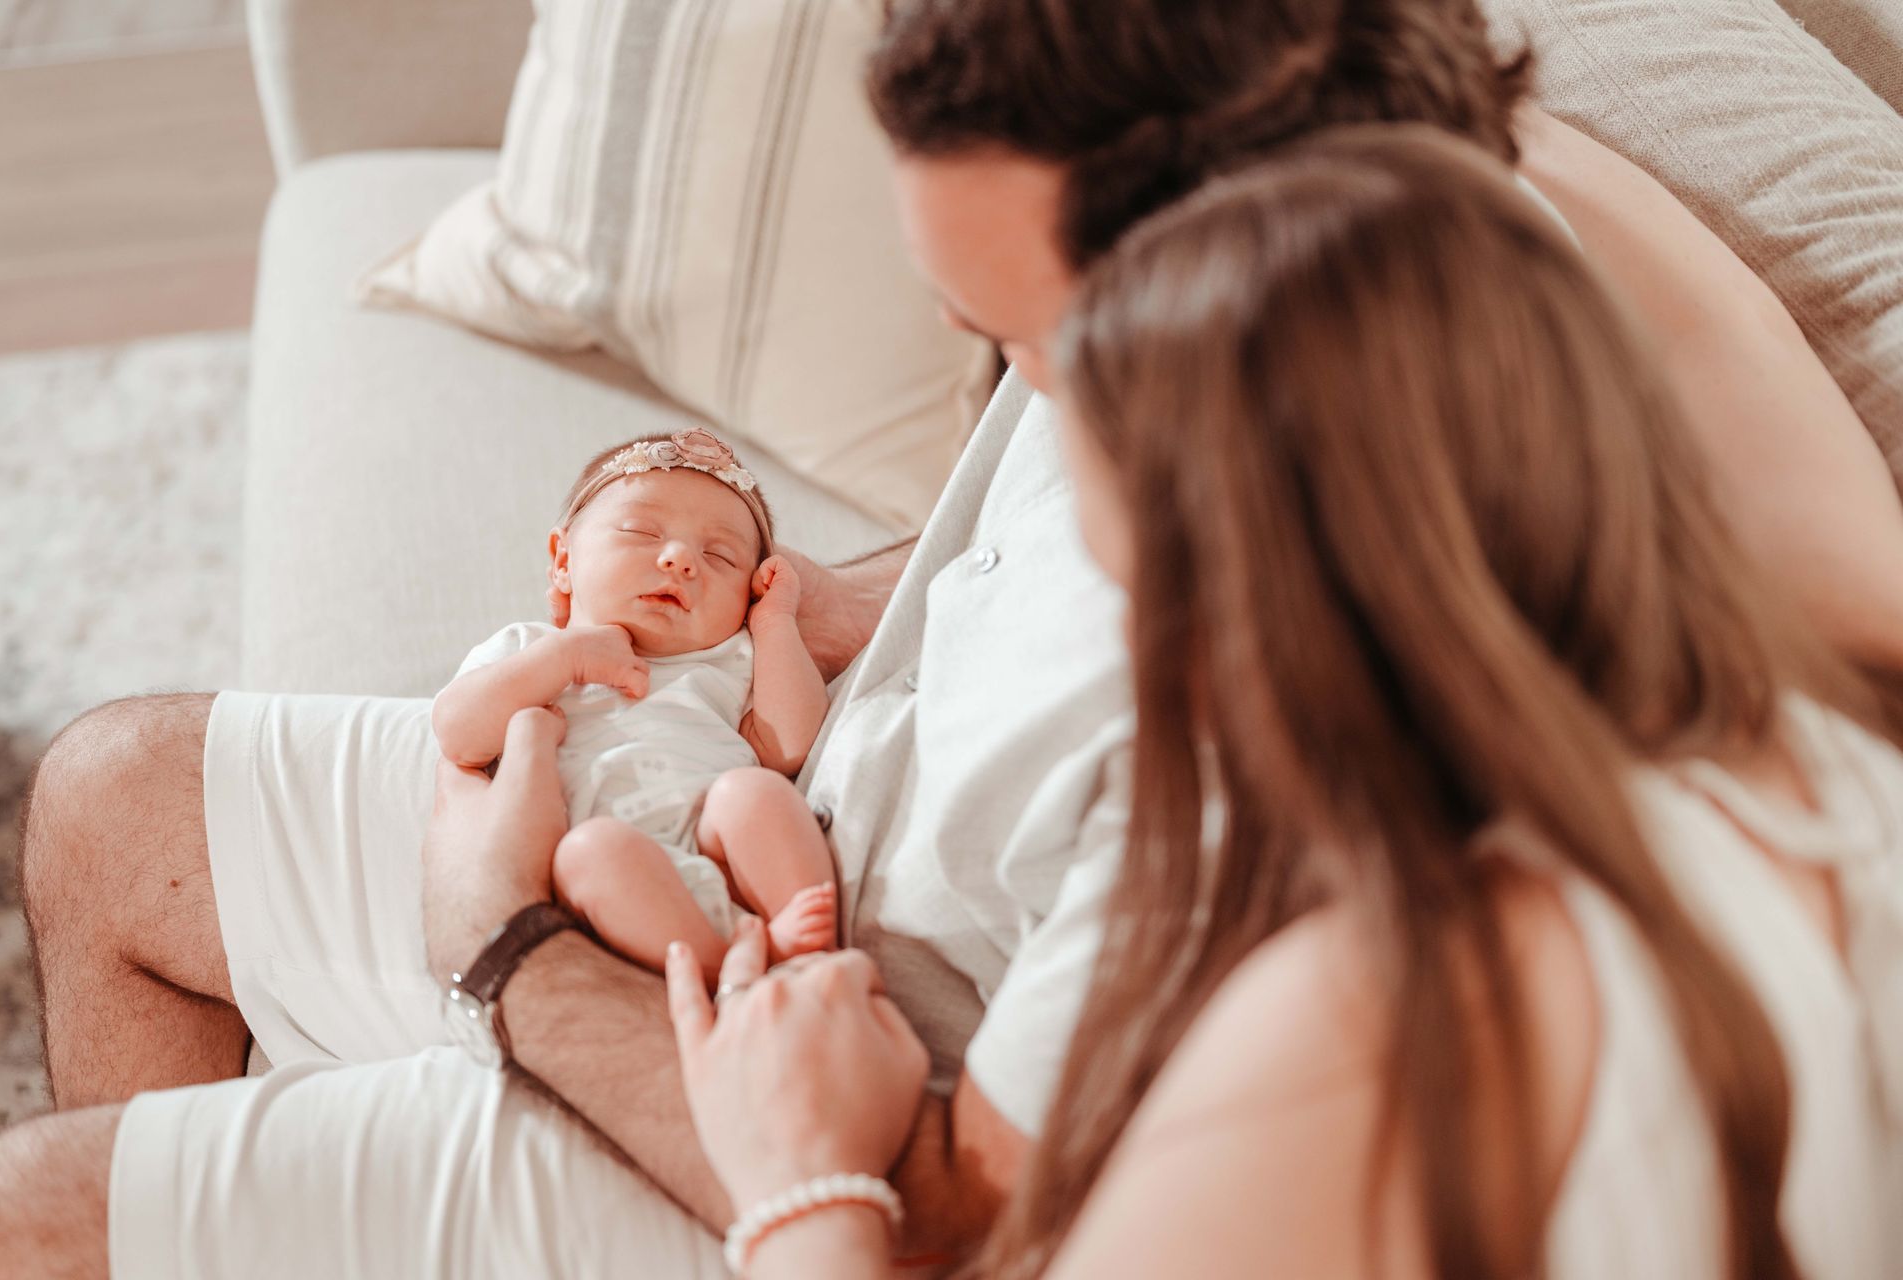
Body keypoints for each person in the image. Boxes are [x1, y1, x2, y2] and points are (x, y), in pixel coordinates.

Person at [0, 0, 1903, 1273]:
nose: (1042, 427)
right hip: (800, 808)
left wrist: (508, 953)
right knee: (111, 800)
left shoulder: (1296, 846)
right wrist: (846, 607)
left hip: (862, 1088)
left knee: (40, 1219)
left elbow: (955, 1214)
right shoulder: (1416, 197)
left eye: (1063, 359)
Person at [664, 125, 1903, 1280]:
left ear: (1209, 624)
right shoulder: (1835, 742)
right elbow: (1719, 324)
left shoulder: (1359, 1015)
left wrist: (804, 1187)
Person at [435, 429, 840, 975]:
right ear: (563, 560)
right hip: (610, 885)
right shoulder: (529, 651)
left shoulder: (730, 659)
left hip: (719, 855)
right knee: (591, 851)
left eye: (720, 556)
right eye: (640, 532)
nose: (679, 559)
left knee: (753, 793)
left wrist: (775, 624)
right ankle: (725, 969)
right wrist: (565, 661)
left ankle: (807, 942)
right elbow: (458, 734)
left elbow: (788, 747)